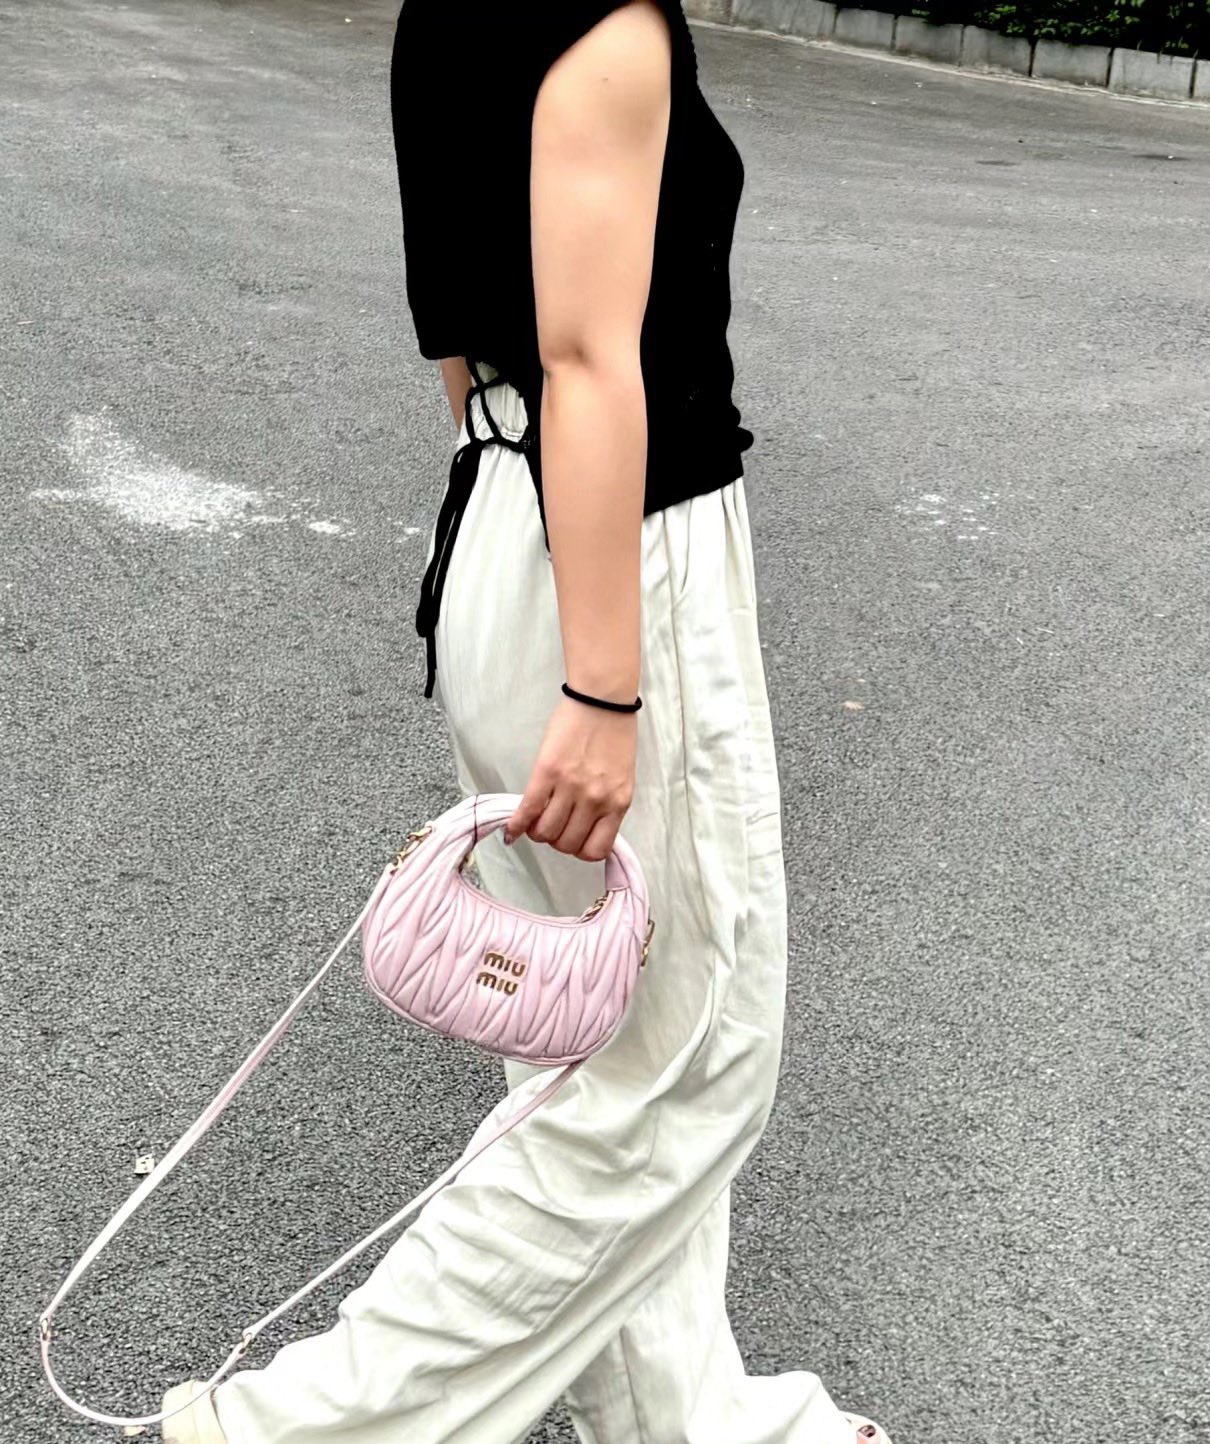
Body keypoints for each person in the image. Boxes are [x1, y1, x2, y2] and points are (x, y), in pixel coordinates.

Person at [161, 3, 891, 1441]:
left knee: (593, 1056)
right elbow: (591, 356)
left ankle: (688, 1419)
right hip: (621, 556)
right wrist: (607, 685)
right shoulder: (603, 19)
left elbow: (461, 330)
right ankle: (294, 1429)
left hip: (499, 513)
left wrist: (526, 555)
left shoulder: (450, 10)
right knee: (684, 1067)